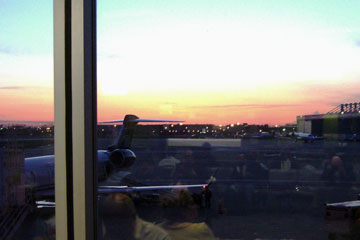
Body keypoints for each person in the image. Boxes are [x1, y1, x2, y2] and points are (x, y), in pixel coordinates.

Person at [101, 193, 171, 240]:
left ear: (133, 218)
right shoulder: (104, 233)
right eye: (110, 223)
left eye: (120, 223)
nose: (115, 228)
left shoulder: (157, 237)